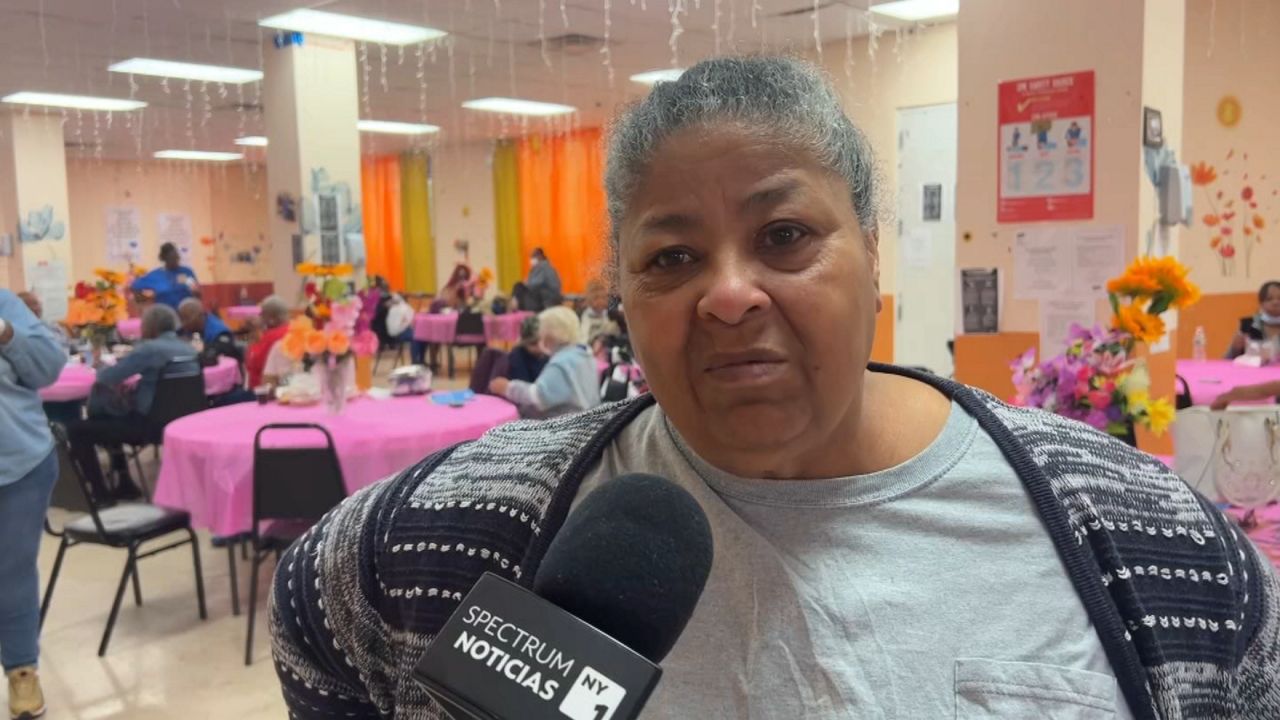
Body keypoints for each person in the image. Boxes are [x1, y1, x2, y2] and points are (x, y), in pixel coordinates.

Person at [271, 57, 1280, 718]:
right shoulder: (461, 530)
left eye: (785, 235)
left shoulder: (1147, 541)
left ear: (872, 253)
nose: (726, 294)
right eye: (670, 257)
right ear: (621, 291)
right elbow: (312, 618)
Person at [0, 289, 65, 720]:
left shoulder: (4, 304)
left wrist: (5, 332)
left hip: (18, 466)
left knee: (12, 574)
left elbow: (48, 366)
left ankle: (22, 670)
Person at [69, 304, 199, 501]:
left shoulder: (149, 349)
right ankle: (124, 483)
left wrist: (99, 365)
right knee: (108, 416)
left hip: (148, 425)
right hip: (179, 423)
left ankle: (100, 493)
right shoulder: (188, 349)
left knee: (78, 429)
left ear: (151, 327)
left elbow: (107, 377)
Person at [487, 306, 599, 419]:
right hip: (588, 419)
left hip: (564, 423)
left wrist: (508, 388)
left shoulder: (561, 363)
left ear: (551, 335)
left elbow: (538, 396)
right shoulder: (585, 355)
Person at [130, 242, 198, 309]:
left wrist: (195, 291)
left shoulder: (185, 272)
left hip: (185, 312)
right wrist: (146, 296)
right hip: (164, 313)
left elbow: (196, 292)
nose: (175, 261)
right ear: (164, 259)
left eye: (176, 257)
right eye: (171, 258)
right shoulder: (156, 276)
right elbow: (135, 286)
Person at [244, 296, 290, 389]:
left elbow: (252, 363)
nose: (260, 318)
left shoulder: (272, 336)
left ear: (272, 318)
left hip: (264, 389)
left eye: (262, 315)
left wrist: (254, 332)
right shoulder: (294, 329)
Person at [1227, 280, 1280, 359]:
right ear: (1261, 303)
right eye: (1269, 299)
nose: (1275, 302)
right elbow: (1226, 359)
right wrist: (1235, 349)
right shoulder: (1248, 326)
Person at [177, 298, 239, 363]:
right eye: (182, 319)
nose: (183, 323)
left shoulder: (220, 332)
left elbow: (218, 353)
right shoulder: (182, 330)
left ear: (200, 315)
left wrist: (201, 348)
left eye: (187, 318)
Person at [579, 279, 620, 355]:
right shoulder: (587, 316)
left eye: (603, 298)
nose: (600, 301)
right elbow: (584, 337)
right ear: (590, 300)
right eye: (596, 298)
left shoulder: (609, 315)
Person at [503, 315, 548, 383]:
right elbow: (522, 386)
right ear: (524, 343)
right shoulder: (517, 357)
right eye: (533, 344)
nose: (540, 347)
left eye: (544, 342)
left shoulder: (549, 352)